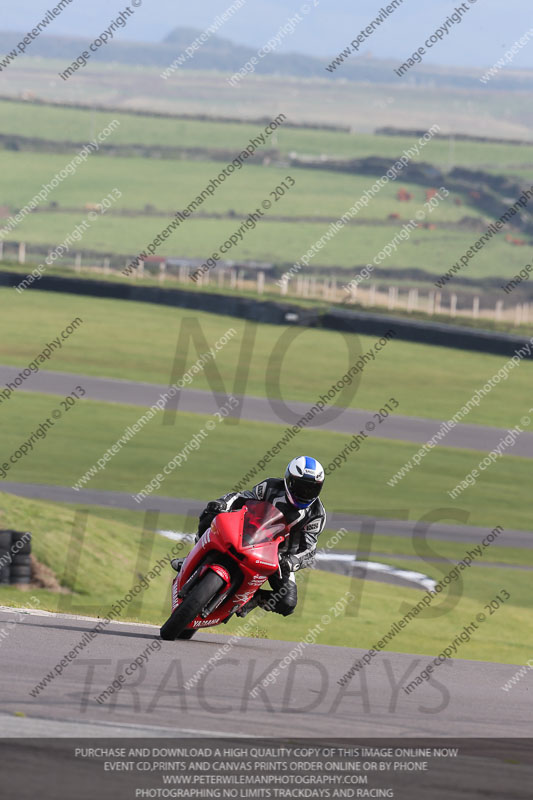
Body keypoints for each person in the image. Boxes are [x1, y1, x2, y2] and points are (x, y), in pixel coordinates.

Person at [171, 456, 326, 617]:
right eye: (301, 487)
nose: (306, 493)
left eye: (312, 489)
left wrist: (291, 562)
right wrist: (223, 504)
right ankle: (192, 558)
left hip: (278, 558)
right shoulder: (270, 486)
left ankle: (254, 598)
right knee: (211, 512)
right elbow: (241, 497)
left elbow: (309, 550)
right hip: (248, 532)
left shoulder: (317, 514)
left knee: (288, 602)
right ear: (289, 480)